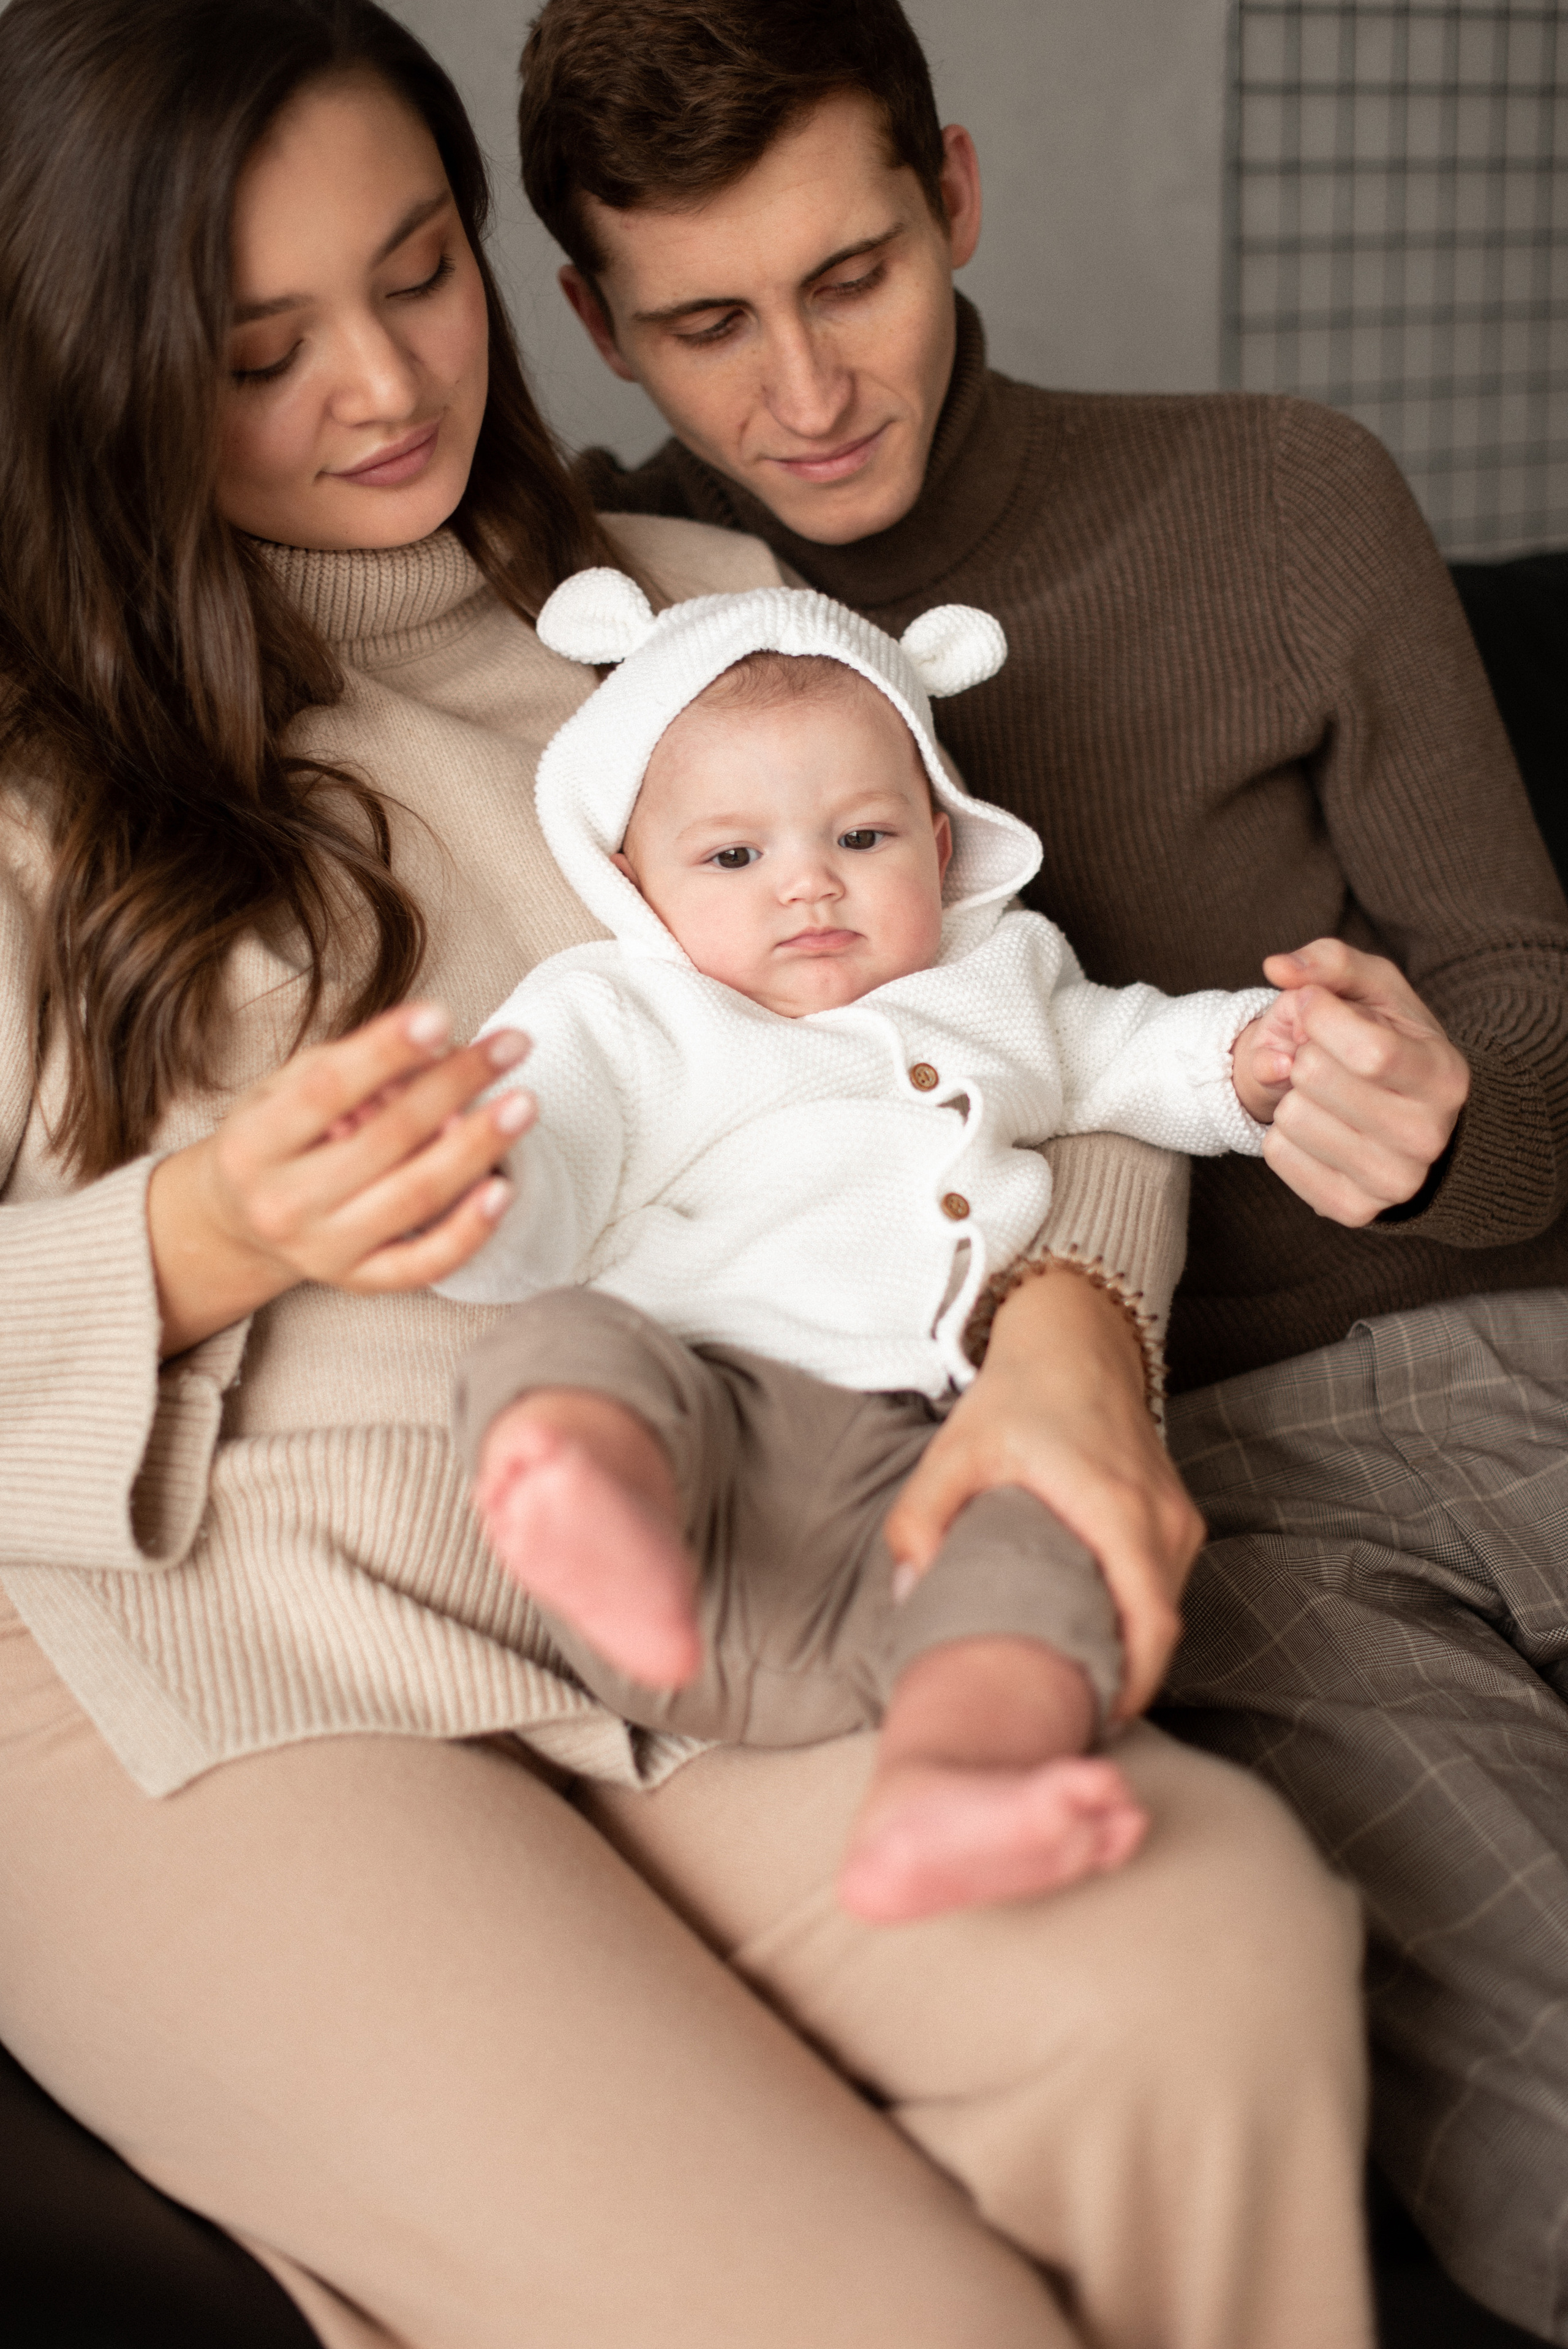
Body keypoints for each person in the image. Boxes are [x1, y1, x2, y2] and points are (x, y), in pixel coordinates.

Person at [0, 4, 1373, 2347]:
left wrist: (1072, 1355)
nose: (382, 387)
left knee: (1215, 1936)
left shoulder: (705, 607)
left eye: (419, 271)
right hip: (191, 1666)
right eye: (259, 348)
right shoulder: (42, 773)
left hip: (728, 1564)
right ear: (99, 376)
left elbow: (1005, 1029)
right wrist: (218, 1228)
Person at [516, 0, 1568, 2334]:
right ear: (591, 318)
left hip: (1522, 1340)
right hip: (1218, 1484)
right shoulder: (608, 628)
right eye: (705, 321)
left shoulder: (1285, 487)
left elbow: (1520, 989)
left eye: (856, 273)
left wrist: (1454, 1108)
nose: (805, 391)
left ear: (957, 195)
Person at [442, 570, 1303, 1924]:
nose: (806, 891)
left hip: (932, 1465)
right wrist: (465, 1177)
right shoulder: (627, 1016)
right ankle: (586, 1506)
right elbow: (537, 1165)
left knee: (1042, 1544)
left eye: (859, 838)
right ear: (632, 880)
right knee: (565, 1349)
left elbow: (1129, 1056)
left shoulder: (1001, 980)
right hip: (708, 1436)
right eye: (732, 858)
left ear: (943, 846)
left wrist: (1246, 1055)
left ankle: (950, 1778)